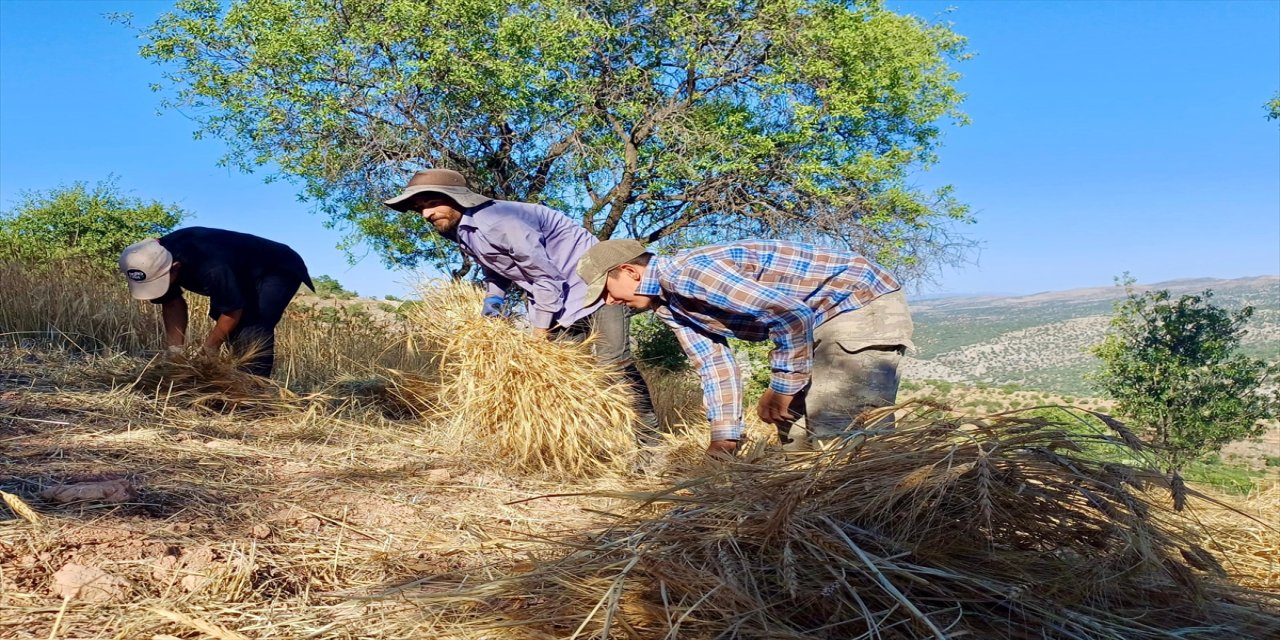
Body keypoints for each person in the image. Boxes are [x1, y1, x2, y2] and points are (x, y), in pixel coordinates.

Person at [383, 169, 658, 436]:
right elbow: (497, 268)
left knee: (614, 366)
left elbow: (545, 277)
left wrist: (539, 333)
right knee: (565, 375)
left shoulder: (500, 221)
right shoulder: (463, 230)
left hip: (600, 289)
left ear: (457, 197)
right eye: (420, 207)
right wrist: (493, 304)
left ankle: (650, 444)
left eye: (432, 203)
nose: (426, 214)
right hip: (558, 302)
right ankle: (593, 441)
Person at [577, 239, 913, 457]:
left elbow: (791, 315)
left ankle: (873, 535)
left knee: (842, 432)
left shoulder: (688, 273)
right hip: (813, 318)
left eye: (605, 290)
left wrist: (781, 389)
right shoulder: (668, 304)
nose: (609, 301)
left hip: (857, 302)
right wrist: (725, 439)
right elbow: (713, 364)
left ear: (628, 271)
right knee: (792, 431)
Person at [118, 227, 315, 377]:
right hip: (236, 268)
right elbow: (171, 303)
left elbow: (232, 310)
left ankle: (253, 393)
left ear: (175, 267)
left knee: (251, 326)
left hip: (277, 268)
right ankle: (232, 380)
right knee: (234, 330)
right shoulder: (149, 261)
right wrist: (174, 353)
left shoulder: (212, 265)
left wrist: (208, 350)